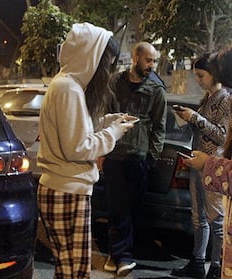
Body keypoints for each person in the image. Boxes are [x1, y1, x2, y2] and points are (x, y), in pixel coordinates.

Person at [37, 22, 136, 279]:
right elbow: (78, 147)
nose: (108, 70)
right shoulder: (68, 89)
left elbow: (78, 129)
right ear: (92, 56)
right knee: (75, 273)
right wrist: (113, 133)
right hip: (67, 191)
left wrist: (109, 121)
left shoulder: (67, 85)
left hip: (63, 189)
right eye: (108, 62)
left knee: (68, 271)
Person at [102, 41, 167, 276]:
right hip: (114, 154)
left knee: (130, 209)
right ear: (136, 58)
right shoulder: (114, 82)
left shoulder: (156, 89)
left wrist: (152, 157)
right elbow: (102, 115)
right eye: (148, 60)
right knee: (115, 207)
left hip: (139, 156)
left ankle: (120, 254)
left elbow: (159, 127)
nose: (151, 65)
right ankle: (120, 256)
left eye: (154, 61)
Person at [171, 53, 229, 279]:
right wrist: (187, 119)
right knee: (199, 217)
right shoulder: (208, 97)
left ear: (214, 73)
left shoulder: (225, 99)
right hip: (197, 163)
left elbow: (222, 137)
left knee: (216, 219)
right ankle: (197, 261)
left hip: (214, 167)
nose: (197, 80)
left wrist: (195, 118)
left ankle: (216, 266)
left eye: (200, 75)